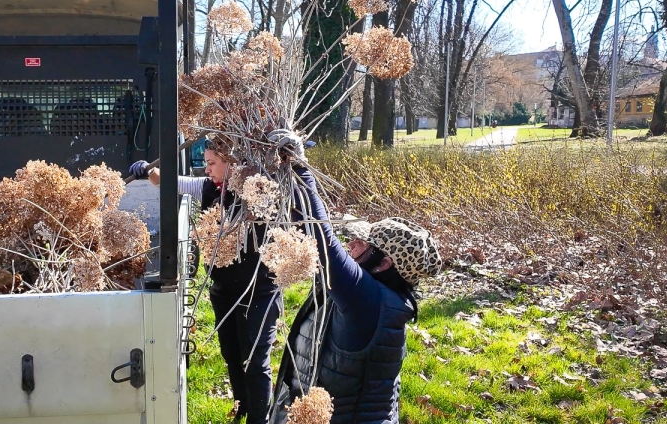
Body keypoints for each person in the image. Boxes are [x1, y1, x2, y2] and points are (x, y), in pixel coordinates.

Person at [265, 129, 443, 424]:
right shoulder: (378, 296)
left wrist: (299, 166)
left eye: (363, 244)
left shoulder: (367, 301)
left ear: (384, 263)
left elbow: (322, 241)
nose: (352, 245)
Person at [130, 140, 281, 424]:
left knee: (255, 360)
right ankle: (243, 408)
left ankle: (261, 419)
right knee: (231, 353)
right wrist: (145, 172)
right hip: (224, 289)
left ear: (232, 162)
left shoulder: (258, 191)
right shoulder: (209, 187)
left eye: (212, 163)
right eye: (206, 162)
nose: (207, 168)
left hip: (257, 291)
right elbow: (172, 182)